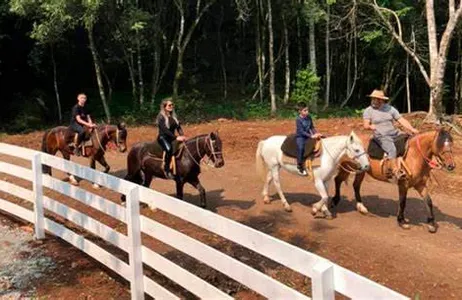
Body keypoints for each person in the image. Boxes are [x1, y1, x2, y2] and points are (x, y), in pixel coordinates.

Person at [363, 89, 419, 180]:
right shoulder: (368, 111)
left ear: (381, 100)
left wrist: (411, 129)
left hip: (394, 133)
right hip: (381, 135)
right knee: (392, 149)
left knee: (409, 140)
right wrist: (370, 126)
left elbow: (401, 120)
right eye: (372, 99)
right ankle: (394, 171)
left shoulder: (390, 109)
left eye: (376, 99)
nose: (373, 101)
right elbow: (365, 125)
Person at [156, 98, 187, 179]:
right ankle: (166, 169)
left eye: (172, 105)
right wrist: (176, 137)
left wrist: (182, 136)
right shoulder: (161, 117)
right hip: (163, 138)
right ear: (164, 106)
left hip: (172, 138)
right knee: (169, 150)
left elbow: (178, 127)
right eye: (169, 105)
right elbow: (165, 130)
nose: (171, 106)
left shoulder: (174, 116)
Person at [295, 102, 323, 176]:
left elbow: (312, 127)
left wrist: (316, 133)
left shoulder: (309, 117)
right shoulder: (298, 120)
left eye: (307, 110)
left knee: (321, 140)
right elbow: (301, 131)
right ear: (300, 111)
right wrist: (311, 136)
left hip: (309, 135)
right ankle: (299, 166)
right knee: (301, 148)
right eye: (305, 110)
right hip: (301, 136)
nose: (307, 112)